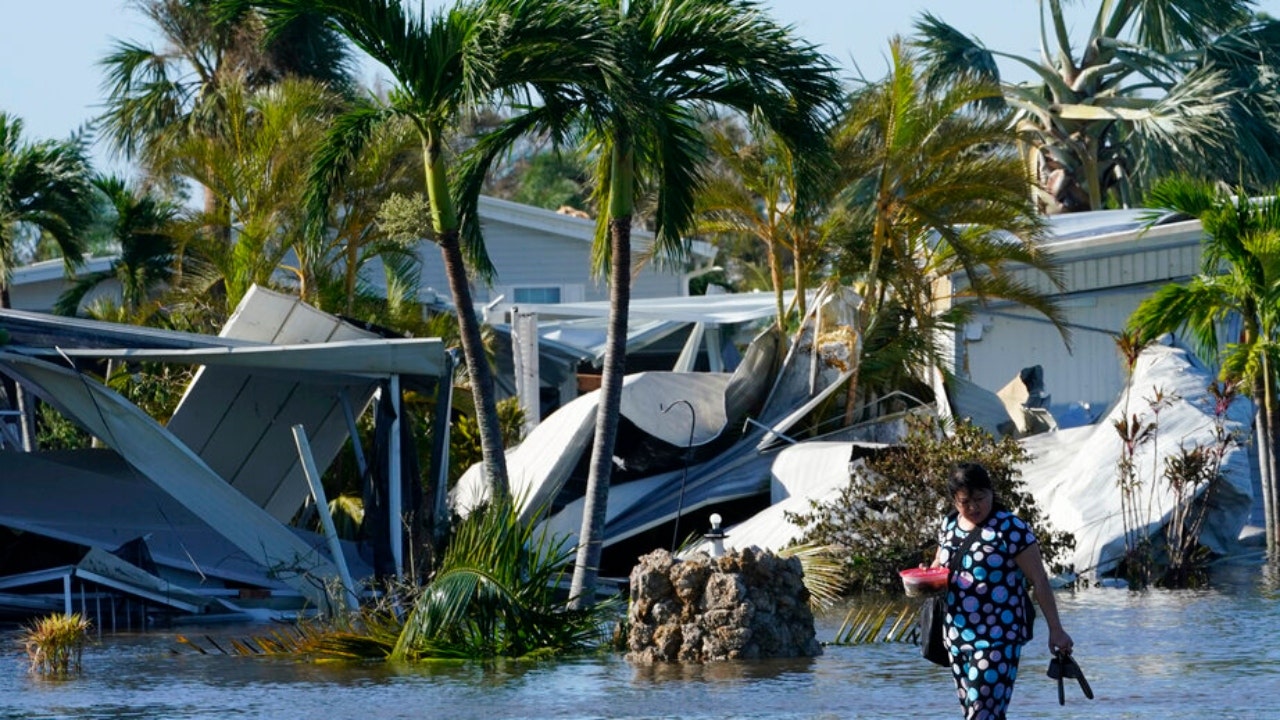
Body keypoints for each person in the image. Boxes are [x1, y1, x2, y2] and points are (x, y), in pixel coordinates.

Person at [931, 462, 1074, 720]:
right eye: (965, 502)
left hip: (999, 636)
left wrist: (1056, 629)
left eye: (980, 498)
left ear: (991, 493)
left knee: (981, 714)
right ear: (954, 501)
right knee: (983, 714)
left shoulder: (1011, 529)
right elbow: (938, 568)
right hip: (956, 636)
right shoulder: (948, 526)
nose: (974, 507)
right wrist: (925, 575)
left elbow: (1039, 581)